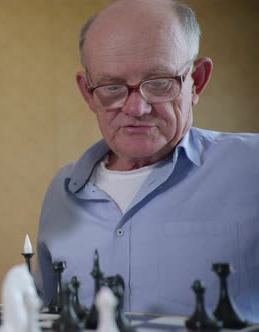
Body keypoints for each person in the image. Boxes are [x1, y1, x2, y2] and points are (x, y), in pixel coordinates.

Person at [36, 0, 259, 320]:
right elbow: (47, 314)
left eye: (158, 84)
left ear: (196, 80)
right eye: (112, 87)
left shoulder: (252, 168)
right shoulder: (62, 191)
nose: (136, 109)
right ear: (88, 93)